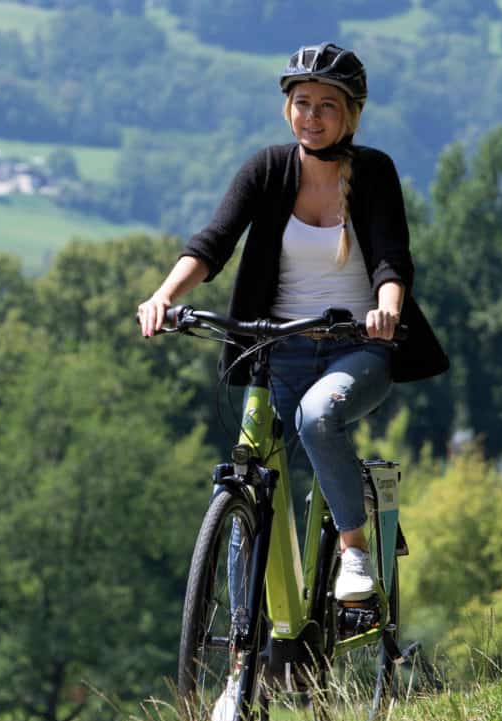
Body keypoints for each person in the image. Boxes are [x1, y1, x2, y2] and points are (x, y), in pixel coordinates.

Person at [138, 42, 448, 602]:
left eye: (327, 105)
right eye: (302, 103)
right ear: (288, 109)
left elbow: (390, 259)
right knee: (247, 479)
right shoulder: (266, 169)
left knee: (316, 418)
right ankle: (240, 659)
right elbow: (213, 244)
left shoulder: (374, 171)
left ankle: (354, 552)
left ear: (350, 114)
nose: (312, 116)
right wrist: (162, 296)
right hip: (274, 349)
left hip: (358, 347)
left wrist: (388, 310)